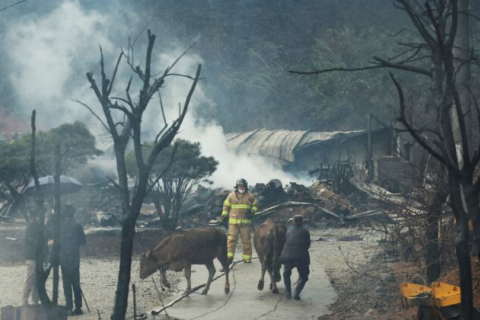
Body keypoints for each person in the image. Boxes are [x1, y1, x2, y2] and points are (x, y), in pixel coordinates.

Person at [221, 178, 259, 263]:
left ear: (245, 186)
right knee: (231, 240)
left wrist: (252, 211)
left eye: (242, 186)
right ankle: (229, 258)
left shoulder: (250, 195)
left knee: (246, 241)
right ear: (237, 186)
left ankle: (247, 258)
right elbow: (226, 205)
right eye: (239, 186)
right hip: (233, 223)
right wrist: (224, 215)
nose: (241, 188)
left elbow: (256, 205)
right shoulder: (231, 195)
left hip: (245, 223)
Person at [59, 205, 86, 315]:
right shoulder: (77, 226)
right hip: (74, 257)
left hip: (64, 257)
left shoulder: (59, 226)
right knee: (76, 282)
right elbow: (83, 242)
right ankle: (78, 307)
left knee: (66, 282)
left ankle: (69, 307)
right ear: (73, 213)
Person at [280, 214, 311, 300]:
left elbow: (286, 242)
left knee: (286, 273)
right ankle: (296, 293)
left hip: (288, 256)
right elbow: (307, 245)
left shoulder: (289, 232)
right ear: (302, 222)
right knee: (304, 276)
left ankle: (288, 292)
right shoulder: (305, 232)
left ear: (293, 222)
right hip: (301, 256)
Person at [22, 217, 40, 305]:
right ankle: (24, 300)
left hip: (34, 256)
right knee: (30, 278)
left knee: (35, 279)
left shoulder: (34, 225)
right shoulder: (31, 226)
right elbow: (30, 240)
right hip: (31, 256)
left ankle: (35, 300)